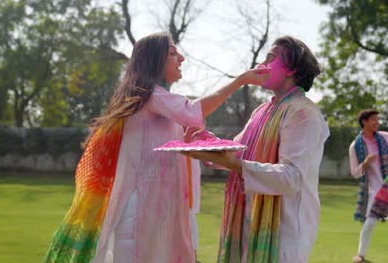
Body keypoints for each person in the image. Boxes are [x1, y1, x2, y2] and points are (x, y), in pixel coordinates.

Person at [42, 31, 269, 263]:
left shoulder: (158, 101)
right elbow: (193, 112)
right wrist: (241, 80)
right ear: (155, 60)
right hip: (141, 212)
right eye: (172, 53)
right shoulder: (150, 95)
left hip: (157, 210)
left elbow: (183, 126)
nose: (181, 58)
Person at [183, 35, 329, 262]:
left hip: (283, 233)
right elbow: (237, 151)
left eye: (271, 58)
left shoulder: (303, 114)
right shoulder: (262, 111)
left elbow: (292, 177)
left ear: (291, 70)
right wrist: (208, 142)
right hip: (248, 225)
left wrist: (234, 164)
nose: (262, 65)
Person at [349, 109, 388, 263]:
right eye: (373, 120)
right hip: (378, 190)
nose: (377, 122)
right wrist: (365, 163)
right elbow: (355, 173)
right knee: (370, 222)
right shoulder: (355, 146)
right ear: (364, 122)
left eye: (378, 119)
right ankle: (360, 255)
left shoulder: (386, 137)